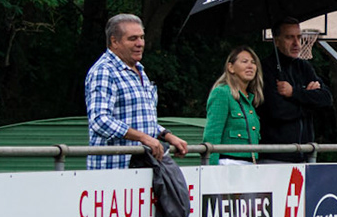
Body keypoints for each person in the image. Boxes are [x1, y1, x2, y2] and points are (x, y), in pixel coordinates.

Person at [84, 13, 189, 169]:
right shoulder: (104, 71)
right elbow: (100, 120)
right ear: (114, 42)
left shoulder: (139, 70)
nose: (140, 43)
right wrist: (143, 138)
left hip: (142, 168)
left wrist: (166, 135)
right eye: (132, 39)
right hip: (113, 170)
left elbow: (139, 118)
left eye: (142, 37)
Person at [258, 18, 332, 162]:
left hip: (306, 154)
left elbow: (326, 99)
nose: (296, 43)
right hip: (275, 156)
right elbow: (277, 110)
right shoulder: (265, 68)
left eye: (298, 37)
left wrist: (294, 93)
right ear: (276, 40)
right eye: (289, 37)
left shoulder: (304, 67)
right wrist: (309, 102)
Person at [204, 46, 263, 164]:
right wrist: (211, 170)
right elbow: (212, 135)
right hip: (228, 164)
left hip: (250, 165)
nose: (250, 66)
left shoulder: (249, 99)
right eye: (244, 62)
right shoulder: (222, 93)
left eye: (253, 62)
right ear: (231, 67)